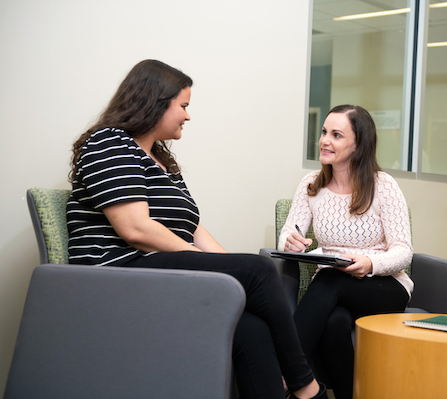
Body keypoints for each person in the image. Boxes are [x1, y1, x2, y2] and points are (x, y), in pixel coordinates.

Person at [66, 59, 326, 399]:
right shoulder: (110, 142)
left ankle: (293, 384)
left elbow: (193, 227)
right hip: (117, 274)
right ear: (155, 103)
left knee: (252, 327)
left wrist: (227, 267)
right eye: (183, 106)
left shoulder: (161, 159)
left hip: (153, 271)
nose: (188, 116)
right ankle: (306, 386)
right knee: (259, 268)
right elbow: (135, 229)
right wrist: (225, 267)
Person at [279, 104, 413, 399]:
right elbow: (289, 234)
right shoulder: (311, 184)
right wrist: (290, 242)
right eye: (325, 132)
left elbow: (404, 252)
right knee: (333, 323)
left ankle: (287, 374)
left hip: (383, 286)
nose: (325, 140)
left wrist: (368, 262)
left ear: (358, 144)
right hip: (334, 288)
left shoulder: (383, 186)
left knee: (329, 279)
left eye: (337, 135)